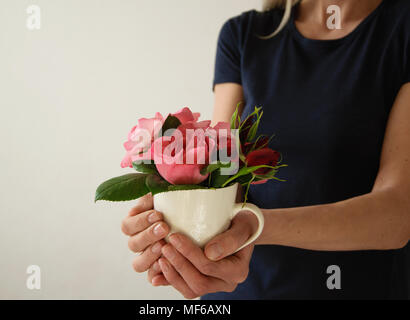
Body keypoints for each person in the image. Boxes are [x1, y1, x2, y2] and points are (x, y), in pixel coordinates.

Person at [120, 0, 410, 299]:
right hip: (239, 288)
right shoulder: (243, 34)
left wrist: (254, 226)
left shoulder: (401, 30)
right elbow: (221, 169)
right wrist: (174, 223)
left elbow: (398, 214)